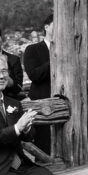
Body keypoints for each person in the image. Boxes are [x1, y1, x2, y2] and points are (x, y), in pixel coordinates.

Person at [22, 13, 53, 153]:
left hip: (65, 99)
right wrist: (54, 57)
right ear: (46, 27)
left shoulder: (69, 49)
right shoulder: (32, 49)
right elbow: (34, 75)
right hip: (41, 101)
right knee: (43, 143)